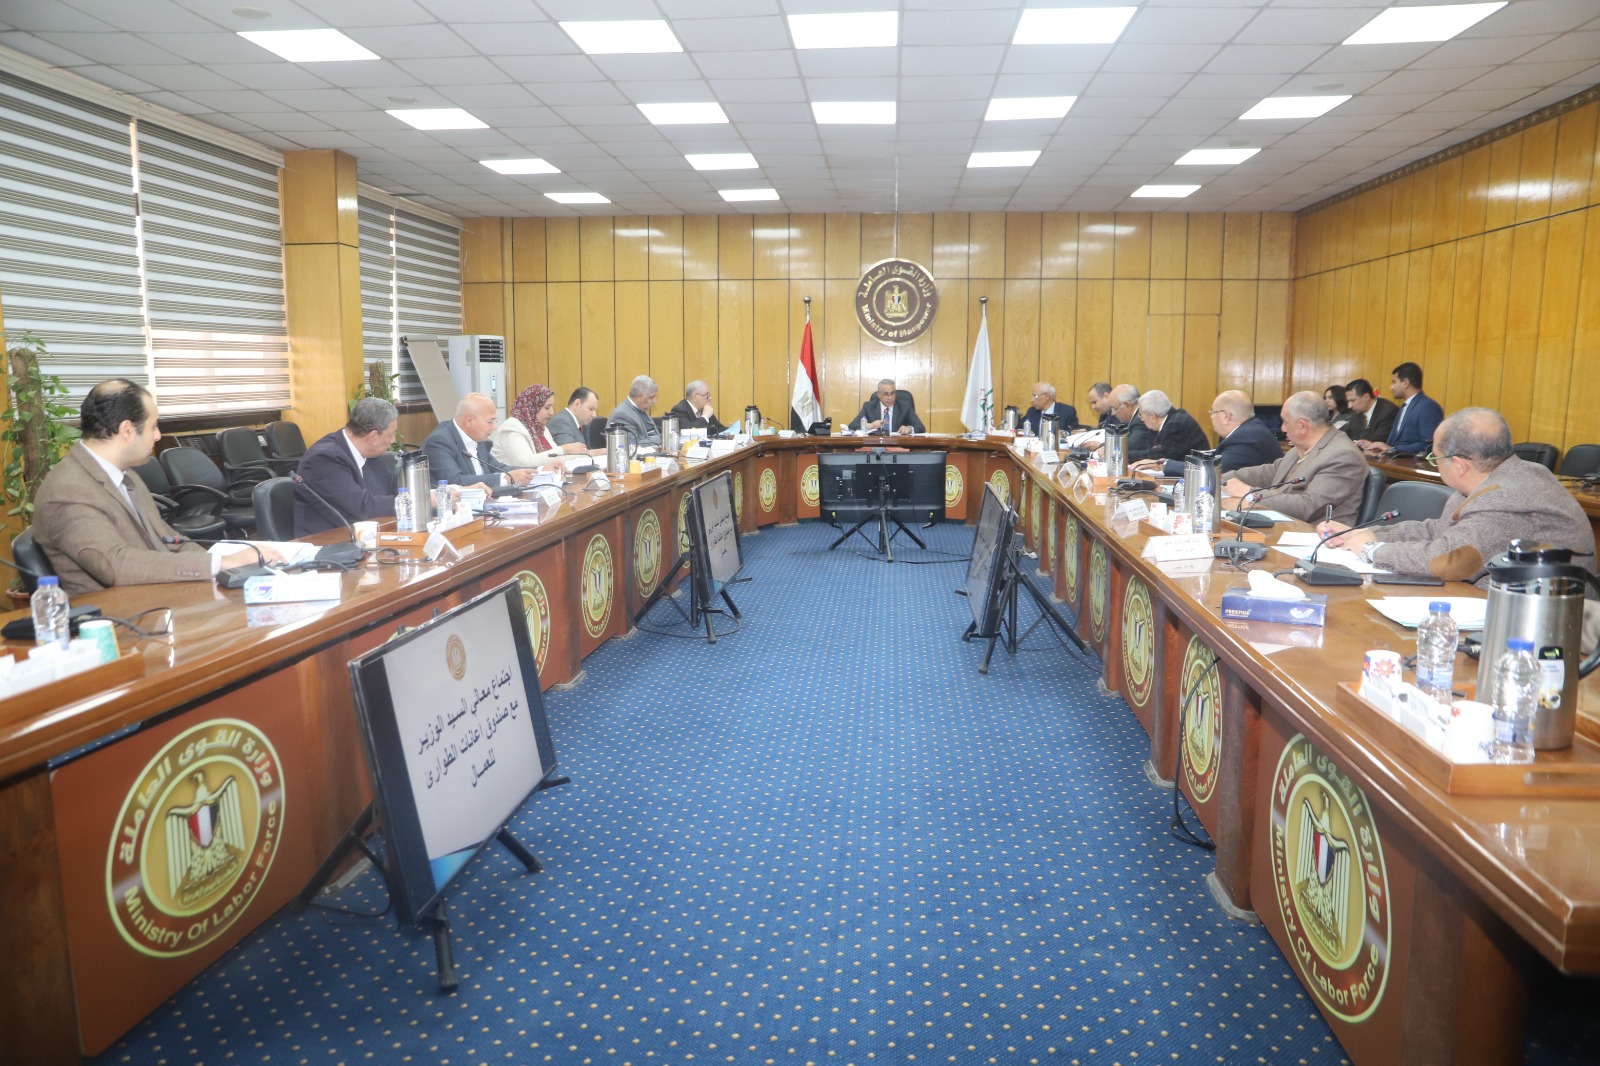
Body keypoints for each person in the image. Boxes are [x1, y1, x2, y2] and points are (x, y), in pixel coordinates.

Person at [32, 378, 280, 594]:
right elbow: (113, 565)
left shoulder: (125, 475)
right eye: (153, 426)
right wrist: (221, 564)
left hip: (161, 598)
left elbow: (170, 540)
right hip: (119, 620)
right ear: (127, 430)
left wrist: (228, 563)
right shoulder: (69, 489)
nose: (158, 436)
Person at [1318, 408, 1596, 585]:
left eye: (1435, 458)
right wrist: (1362, 535)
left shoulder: (1506, 498)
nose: (1435, 464)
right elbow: (1439, 530)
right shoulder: (1497, 477)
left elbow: (1448, 561)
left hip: (1547, 628)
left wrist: (1372, 550)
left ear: (1460, 465)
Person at [1221, 390, 1368, 525]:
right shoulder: (1301, 448)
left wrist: (1250, 493)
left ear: (1302, 426)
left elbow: (1309, 506)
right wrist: (1219, 479)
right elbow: (1269, 472)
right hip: (1285, 526)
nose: (1282, 428)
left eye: (1285, 422)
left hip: (1315, 537)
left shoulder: (1344, 455)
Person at [294, 397, 401, 536]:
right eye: (390, 435)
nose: (393, 440)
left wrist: (420, 494)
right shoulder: (323, 459)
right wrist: (414, 502)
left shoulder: (370, 454)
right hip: (326, 542)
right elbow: (363, 507)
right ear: (373, 436)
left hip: (363, 537)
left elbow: (392, 487)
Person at [422, 393, 535, 491]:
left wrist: (538, 471)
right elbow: (455, 481)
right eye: (490, 421)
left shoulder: (477, 437)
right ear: (469, 420)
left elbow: (498, 467)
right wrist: (506, 479)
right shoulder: (439, 442)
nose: (494, 427)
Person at [1157, 390, 1280, 477]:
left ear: (1226, 416)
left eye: (1212, 413)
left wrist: (1165, 464)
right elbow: (1212, 461)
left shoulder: (1248, 438)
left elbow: (1213, 469)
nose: (1211, 417)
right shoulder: (1248, 431)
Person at [1357, 361, 1442, 457]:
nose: (1391, 387)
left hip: (1411, 464)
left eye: (1394, 382)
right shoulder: (1404, 406)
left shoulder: (1428, 406)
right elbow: (1394, 443)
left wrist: (1392, 450)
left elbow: (1429, 445)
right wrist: (1374, 445)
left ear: (1405, 383)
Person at [490, 384, 571, 469]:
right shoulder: (511, 427)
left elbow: (559, 457)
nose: (552, 412)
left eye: (552, 407)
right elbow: (524, 463)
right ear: (531, 407)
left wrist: (580, 453)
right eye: (547, 408)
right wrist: (565, 449)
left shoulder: (540, 428)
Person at [1127, 389, 1210, 467]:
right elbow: (1152, 449)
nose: (1141, 419)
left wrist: (1126, 456)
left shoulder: (1176, 424)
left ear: (1153, 416)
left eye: (1141, 415)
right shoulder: (1171, 419)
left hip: (1198, 472)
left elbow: (1162, 456)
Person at [1087, 384, 1151, 456]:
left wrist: (1104, 447)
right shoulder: (1134, 419)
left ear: (1127, 405)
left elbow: (1129, 446)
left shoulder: (1141, 420)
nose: (1113, 414)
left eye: (1114, 408)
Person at [850, 378, 925, 435]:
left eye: (892, 393)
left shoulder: (905, 407)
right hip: (875, 446)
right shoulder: (869, 407)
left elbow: (920, 427)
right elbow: (852, 426)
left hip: (898, 446)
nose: (890, 397)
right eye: (886, 394)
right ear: (879, 395)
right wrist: (871, 426)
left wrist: (909, 429)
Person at [607, 375, 662, 447]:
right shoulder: (622, 415)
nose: (654, 401)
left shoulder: (641, 408)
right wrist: (662, 439)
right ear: (639, 397)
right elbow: (631, 445)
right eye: (651, 398)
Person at [1342, 377, 1398, 446]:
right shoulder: (1357, 414)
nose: (1349, 406)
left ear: (1366, 397)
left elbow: (1376, 442)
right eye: (1348, 401)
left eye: (1353, 401)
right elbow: (1348, 436)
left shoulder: (1388, 412)